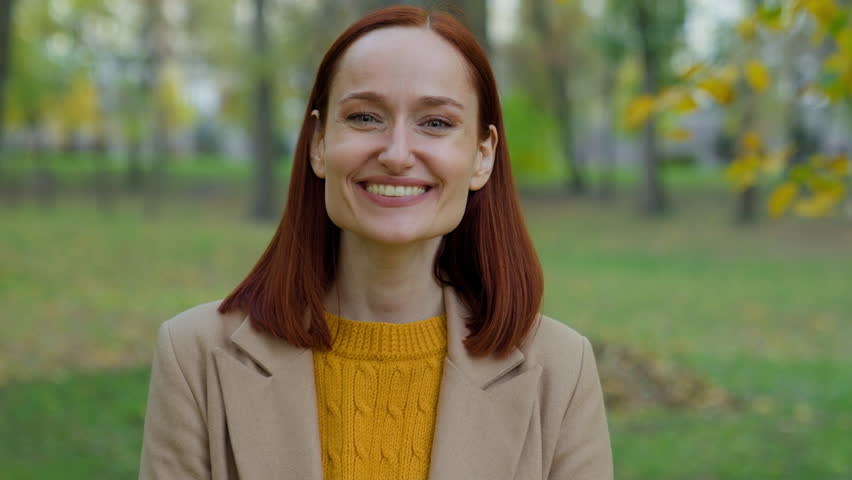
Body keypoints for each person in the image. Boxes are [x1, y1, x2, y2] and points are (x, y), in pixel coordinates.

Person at [138, 5, 612, 480]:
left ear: (481, 157)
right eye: (365, 117)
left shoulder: (561, 369)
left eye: (436, 123)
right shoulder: (193, 354)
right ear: (319, 144)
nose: (397, 154)